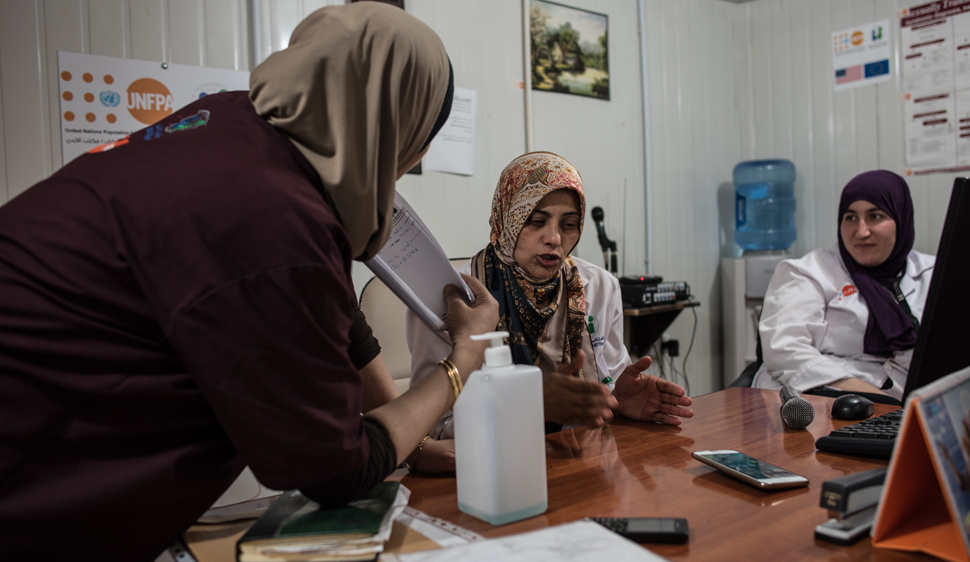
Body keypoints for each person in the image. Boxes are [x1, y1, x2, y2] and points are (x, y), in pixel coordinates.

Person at [0, 4, 499, 561]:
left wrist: (415, 442)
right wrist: (464, 357)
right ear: (404, 136)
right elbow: (336, 471)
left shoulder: (235, 122)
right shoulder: (278, 212)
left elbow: (325, 312)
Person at [405, 152, 694, 473]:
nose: (555, 239)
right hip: (492, 472)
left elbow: (606, 381)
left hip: (577, 466)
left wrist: (618, 400)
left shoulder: (599, 287)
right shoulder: (452, 297)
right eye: (536, 221)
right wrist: (529, 406)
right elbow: (429, 428)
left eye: (568, 225)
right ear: (507, 217)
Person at [751, 170, 935, 400]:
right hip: (822, 399)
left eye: (875, 216)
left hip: (911, 403)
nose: (861, 232)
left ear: (901, 219)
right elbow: (785, 350)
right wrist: (870, 395)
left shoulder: (932, 272)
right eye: (850, 218)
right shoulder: (809, 272)